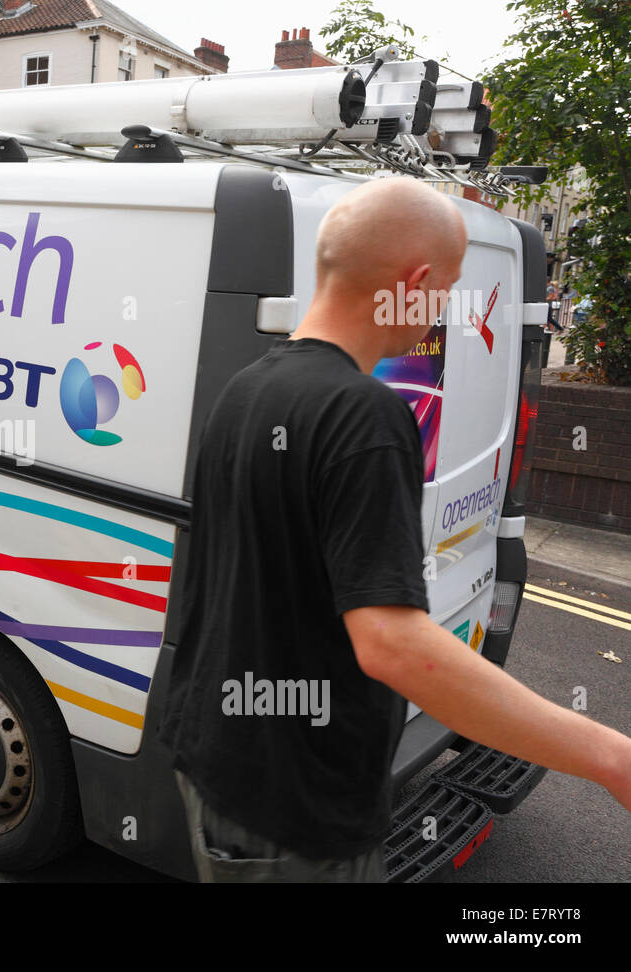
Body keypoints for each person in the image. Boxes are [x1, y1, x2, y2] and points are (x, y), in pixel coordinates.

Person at [159, 177, 631, 883]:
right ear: (415, 284)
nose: (443, 309)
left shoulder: (248, 387)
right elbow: (392, 645)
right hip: (300, 808)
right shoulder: (365, 415)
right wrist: (609, 757)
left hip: (216, 762)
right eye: (446, 290)